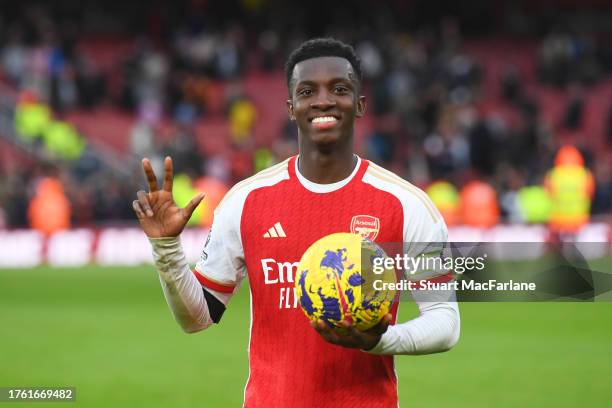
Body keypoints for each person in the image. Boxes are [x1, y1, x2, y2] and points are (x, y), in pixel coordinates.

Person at [133, 38, 460, 408]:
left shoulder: (406, 205)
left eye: (339, 89)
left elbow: (445, 321)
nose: (323, 100)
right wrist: (167, 249)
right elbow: (196, 318)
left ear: (360, 104)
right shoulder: (247, 200)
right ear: (291, 107)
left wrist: (379, 341)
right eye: (307, 91)